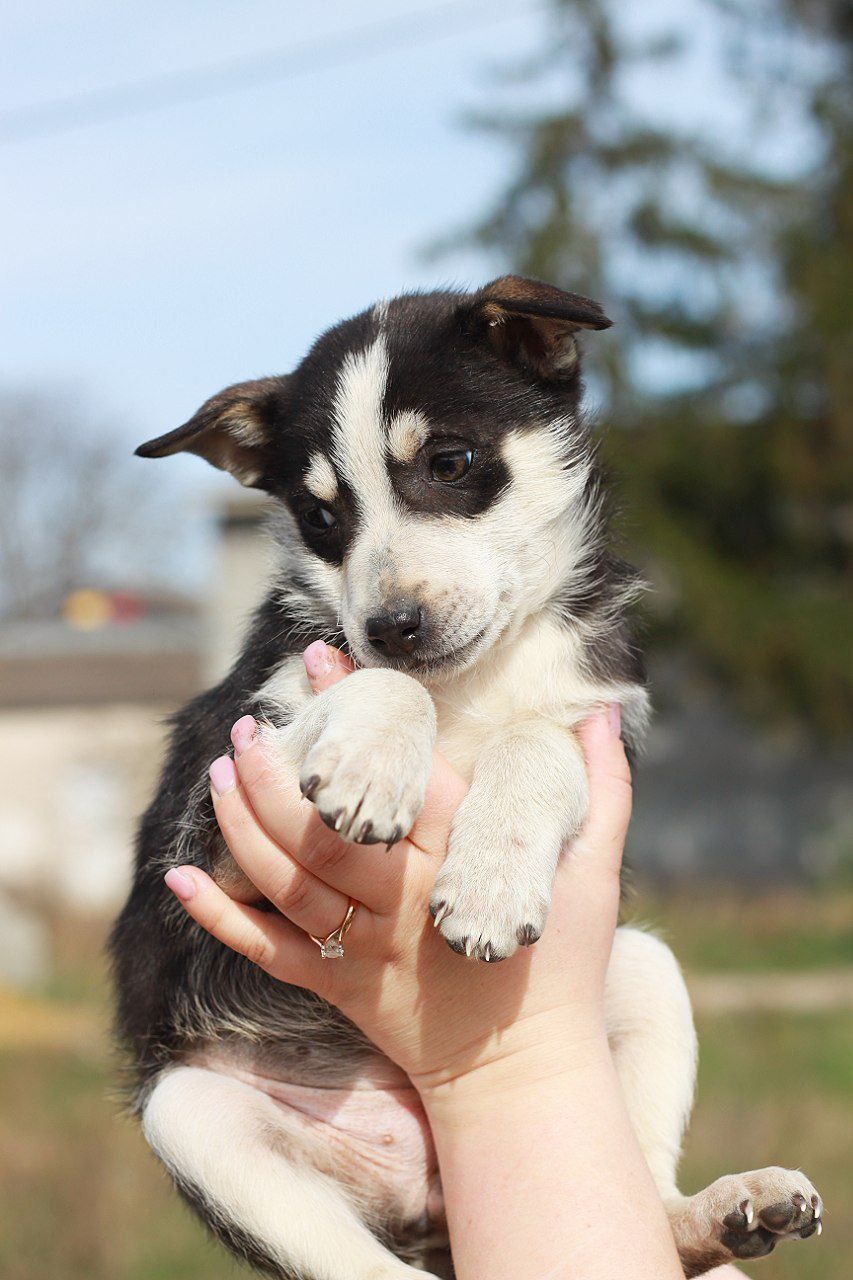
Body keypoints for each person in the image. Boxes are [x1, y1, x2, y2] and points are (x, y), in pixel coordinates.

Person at [164, 640, 744, 1280]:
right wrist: (371, 708)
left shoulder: (571, 653)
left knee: (643, 968)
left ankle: (655, 1204)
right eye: (335, 529)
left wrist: (540, 763)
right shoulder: (310, 644)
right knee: (185, 1108)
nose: (399, 608)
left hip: (557, 1117)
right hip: (297, 1098)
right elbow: (218, 852)